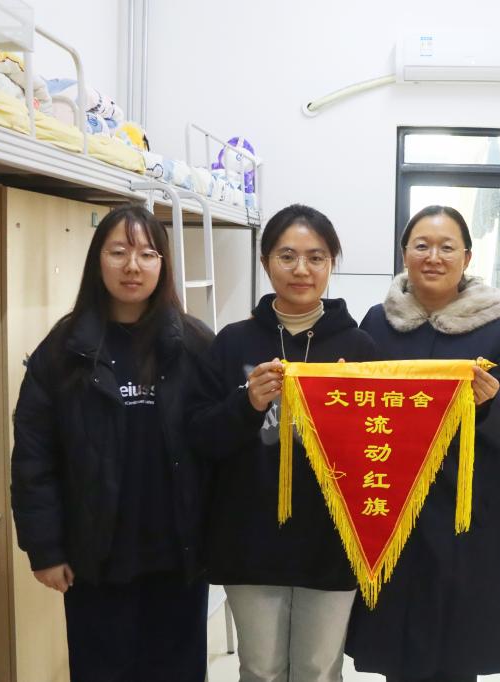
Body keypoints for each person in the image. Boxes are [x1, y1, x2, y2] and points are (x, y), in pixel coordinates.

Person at [11, 205, 213, 682]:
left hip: (179, 557)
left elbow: (220, 441)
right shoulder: (63, 349)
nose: (132, 266)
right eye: (118, 252)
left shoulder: (195, 344)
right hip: (96, 558)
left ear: (163, 264)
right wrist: (45, 549)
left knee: (178, 673)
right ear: (97, 260)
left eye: (147, 254)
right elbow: (34, 457)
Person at [345, 205, 500, 681]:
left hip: (463, 517)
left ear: (466, 258)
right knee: (396, 651)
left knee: (456, 654)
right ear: (404, 254)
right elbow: (352, 412)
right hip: (391, 510)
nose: (433, 257)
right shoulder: (377, 323)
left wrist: (488, 401)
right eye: (422, 246)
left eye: (447, 247)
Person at [188, 204, 375, 682]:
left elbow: (381, 449)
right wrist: (246, 403)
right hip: (249, 538)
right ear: (265, 261)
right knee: (261, 669)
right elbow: (201, 437)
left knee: (319, 669)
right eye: (287, 256)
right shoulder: (232, 343)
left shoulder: (360, 349)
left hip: (333, 539)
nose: (301, 269)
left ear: (332, 263)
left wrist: (346, 412)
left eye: (316, 257)